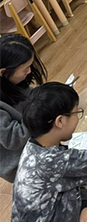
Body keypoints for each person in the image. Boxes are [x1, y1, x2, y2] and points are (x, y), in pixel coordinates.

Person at [12, 82, 87, 222]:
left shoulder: (36, 145)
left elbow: (70, 175)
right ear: (60, 121)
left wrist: (85, 205)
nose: (78, 118)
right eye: (77, 112)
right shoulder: (49, 161)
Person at [0, 34, 47, 183]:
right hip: (22, 165)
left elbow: (29, 96)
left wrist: (49, 96)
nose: (29, 72)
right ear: (3, 72)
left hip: (38, 146)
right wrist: (39, 110)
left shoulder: (12, 82)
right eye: (25, 68)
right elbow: (14, 138)